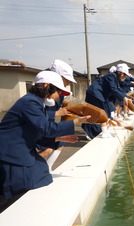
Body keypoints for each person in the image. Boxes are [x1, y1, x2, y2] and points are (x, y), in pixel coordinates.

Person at [0, 71, 90, 209]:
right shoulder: (30, 102)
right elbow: (46, 128)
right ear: (47, 86)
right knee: (22, 186)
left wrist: (58, 138)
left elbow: (36, 131)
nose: (59, 95)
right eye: (59, 91)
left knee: (41, 172)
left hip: (18, 148)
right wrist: (76, 122)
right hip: (11, 152)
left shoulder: (36, 102)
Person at [38, 59, 76, 171]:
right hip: (37, 125)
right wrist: (57, 113)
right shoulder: (40, 93)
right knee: (50, 146)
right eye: (66, 79)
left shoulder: (60, 91)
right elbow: (37, 113)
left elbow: (56, 106)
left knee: (61, 140)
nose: (68, 83)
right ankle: (38, 168)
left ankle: (47, 167)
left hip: (47, 122)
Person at [82, 63, 134, 139]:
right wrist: (123, 98)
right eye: (125, 75)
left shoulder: (116, 79)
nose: (126, 76)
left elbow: (119, 89)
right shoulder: (111, 76)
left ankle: (104, 131)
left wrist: (126, 97)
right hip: (95, 93)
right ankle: (104, 133)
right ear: (121, 73)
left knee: (104, 112)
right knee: (102, 112)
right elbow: (114, 89)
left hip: (100, 95)